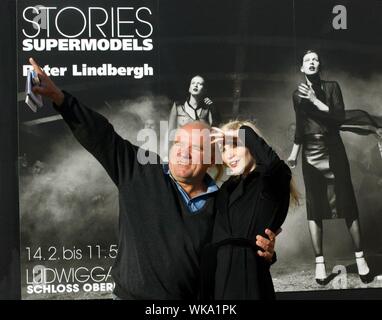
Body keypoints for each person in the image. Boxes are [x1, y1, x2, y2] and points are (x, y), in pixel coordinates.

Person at [28, 58, 276, 299]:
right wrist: (60, 98)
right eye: (179, 142)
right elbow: (101, 136)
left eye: (196, 148)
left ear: (212, 159)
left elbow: (240, 249)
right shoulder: (141, 172)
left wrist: (266, 252)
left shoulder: (224, 204)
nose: (182, 151)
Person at [287, 50, 375, 284]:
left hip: (333, 148)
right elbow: (300, 127)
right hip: (310, 153)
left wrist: (315, 100)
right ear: (302, 68)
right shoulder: (296, 95)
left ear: (319, 67)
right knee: (315, 207)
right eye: (308, 60)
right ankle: (320, 265)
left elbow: (338, 118)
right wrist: (294, 154)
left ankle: (361, 259)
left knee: (347, 202)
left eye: (315, 60)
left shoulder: (332, 87)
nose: (312, 62)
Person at [200, 120, 296, 300]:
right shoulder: (226, 189)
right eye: (224, 149)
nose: (229, 155)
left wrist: (237, 133)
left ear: (252, 144)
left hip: (248, 282)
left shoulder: (269, 182)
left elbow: (276, 167)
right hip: (216, 282)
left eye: (235, 145)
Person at [168, 75, 221, 143]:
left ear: (204, 90)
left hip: (200, 148)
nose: (195, 85)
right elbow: (170, 130)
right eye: (193, 83)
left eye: (199, 84)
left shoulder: (207, 109)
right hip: (182, 148)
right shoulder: (178, 106)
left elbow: (215, 130)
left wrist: (213, 108)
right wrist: (168, 151)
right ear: (189, 88)